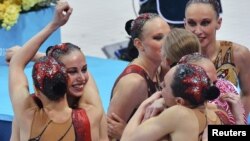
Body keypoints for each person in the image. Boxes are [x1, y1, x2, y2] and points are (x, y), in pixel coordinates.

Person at [8, 1, 108, 141]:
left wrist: (53, 25)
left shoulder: (26, 112)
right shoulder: (91, 111)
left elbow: (17, 63)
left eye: (84, 69)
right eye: (72, 71)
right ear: (61, 74)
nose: (82, 78)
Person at [121, 63, 227, 141]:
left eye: (164, 86)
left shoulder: (178, 114)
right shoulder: (216, 111)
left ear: (180, 101)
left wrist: (145, 104)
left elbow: (126, 140)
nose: (160, 90)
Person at [107, 13, 171, 140]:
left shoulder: (159, 69)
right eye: (158, 38)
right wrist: (126, 134)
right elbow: (108, 131)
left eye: (168, 36)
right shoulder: (134, 82)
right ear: (139, 44)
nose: (166, 43)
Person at [184, 0, 250, 115]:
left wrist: (236, 123)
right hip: (191, 127)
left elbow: (248, 94)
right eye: (192, 23)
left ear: (218, 23)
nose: (198, 31)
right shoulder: (180, 56)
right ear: (185, 24)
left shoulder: (239, 54)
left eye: (205, 23)